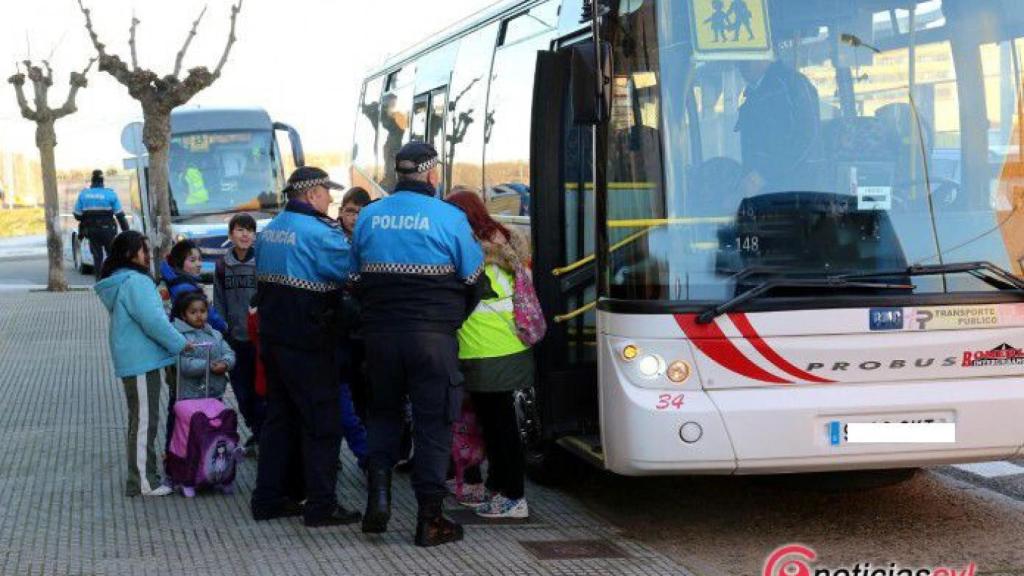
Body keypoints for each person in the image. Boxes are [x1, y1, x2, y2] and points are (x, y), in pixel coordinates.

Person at [350, 142, 484, 547]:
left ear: (398, 173)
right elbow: (474, 279)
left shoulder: (369, 216)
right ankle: (430, 519)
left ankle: (379, 497)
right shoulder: (450, 216)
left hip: (380, 339)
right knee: (433, 424)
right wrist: (450, 321)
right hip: (432, 339)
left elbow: (353, 281)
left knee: (384, 416)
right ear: (431, 174)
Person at [250, 166, 361, 528]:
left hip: (274, 340)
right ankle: (321, 506)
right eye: (327, 192)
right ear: (312, 193)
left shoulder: (271, 231)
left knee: (278, 421)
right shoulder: (320, 233)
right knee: (322, 424)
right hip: (310, 343)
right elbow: (351, 275)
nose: (330, 199)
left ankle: (267, 499)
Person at [446, 190, 533, 519]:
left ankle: (513, 497)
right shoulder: (504, 245)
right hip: (506, 348)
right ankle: (500, 491)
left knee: (501, 430)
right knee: (499, 426)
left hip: (486, 351)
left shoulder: (473, 254)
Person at [94, 231, 188, 497]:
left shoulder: (123, 280)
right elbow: (153, 321)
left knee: (141, 420)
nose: (148, 255)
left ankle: (145, 476)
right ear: (129, 254)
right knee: (145, 421)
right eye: (144, 250)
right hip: (140, 361)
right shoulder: (136, 282)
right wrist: (180, 343)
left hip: (137, 360)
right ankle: (143, 482)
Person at [213, 213, 265, 455]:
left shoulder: (262, 262)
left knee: (261, 390)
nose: (245, 234)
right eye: (240, 230)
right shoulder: (223, 265)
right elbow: (219, 300)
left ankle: (265, 434)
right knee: (242, 392)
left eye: (250, 230)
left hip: (260, 339)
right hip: (235, 339)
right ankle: (256, 429)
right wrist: (223, 330)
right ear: (230, 234)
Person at [734, 59, 822, 195]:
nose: (740, 65)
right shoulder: (754, 92)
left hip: (795, 194)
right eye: (739, 61)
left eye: (745, 60)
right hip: (763, 193)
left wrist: (763, 175)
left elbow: (807, 137)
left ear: (763, 56)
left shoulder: (791, 85)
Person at [171, 292, 236, 401]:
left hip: (216, 392)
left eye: (203, 311)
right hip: (190, 395)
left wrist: (225, 363)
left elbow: (228, 352)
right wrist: (208, 366)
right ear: (184, 315)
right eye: (193, 312)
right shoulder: (180, 337)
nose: (199, 315)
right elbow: (183, 364)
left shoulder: (215, 334)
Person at [160, 240, 228, 333]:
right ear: (179, 262)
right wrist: (224, 326)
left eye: (200, 259)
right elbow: (209, 316)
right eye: (192, 260)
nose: (199, 264)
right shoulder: (186, 289)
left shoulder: (173, 279)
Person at [74, 169, 129, 279]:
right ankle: (113, 279)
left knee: (97, 257)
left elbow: (77, 215)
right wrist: (127, 233)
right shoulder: (110, 194)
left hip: (92, 231)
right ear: (102, 182)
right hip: (108, 231)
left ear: (92, 181)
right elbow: (120, 216)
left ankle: (99, 281)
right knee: (112, 255)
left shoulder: (84, 194)